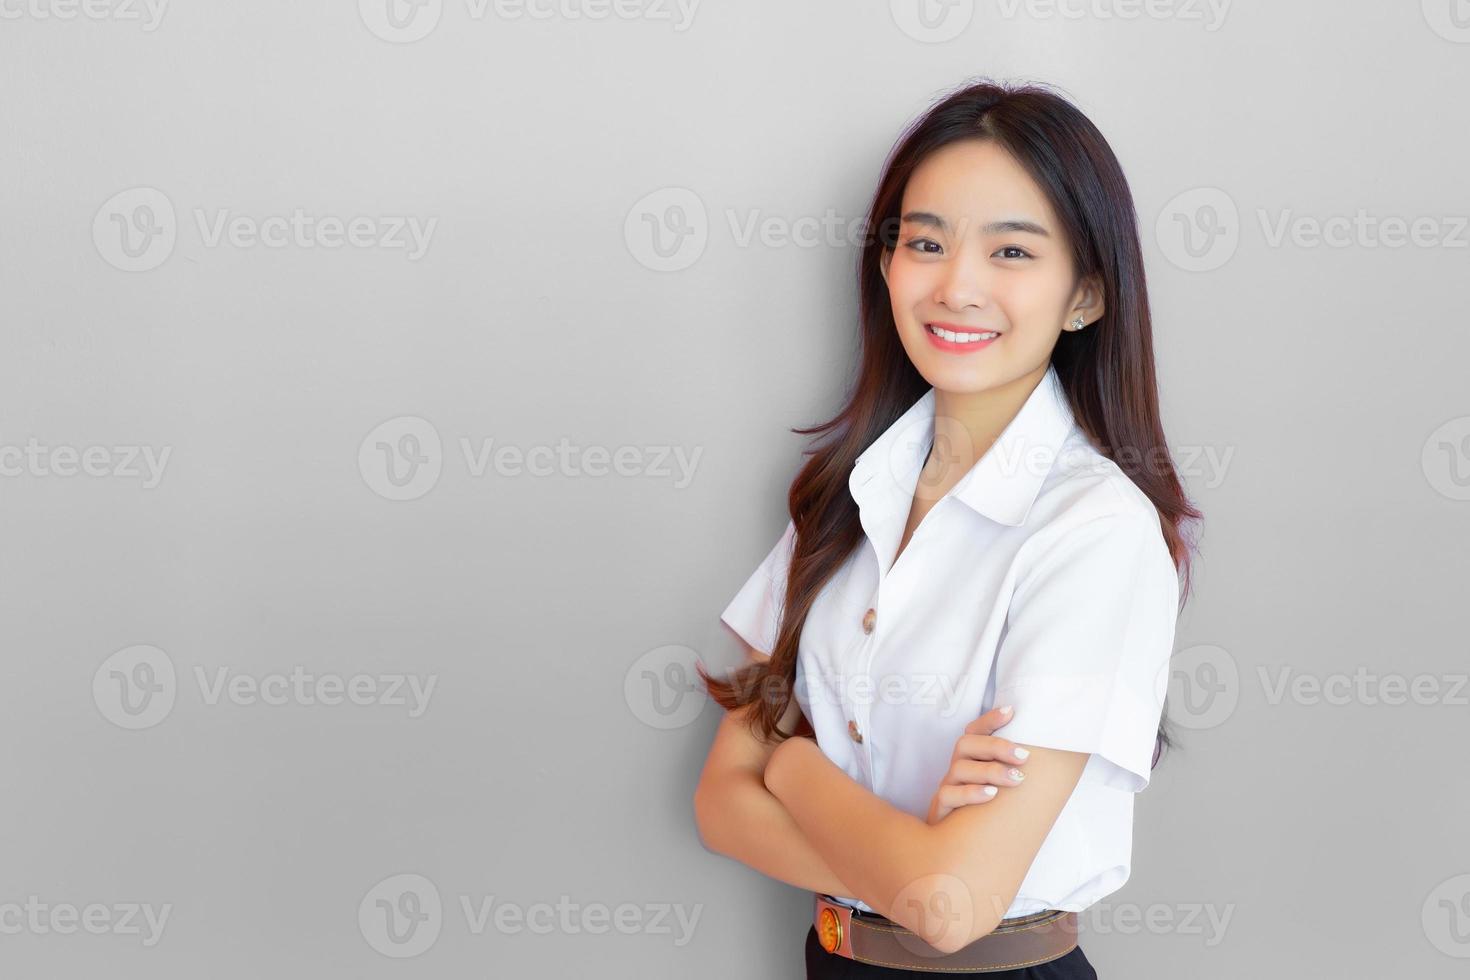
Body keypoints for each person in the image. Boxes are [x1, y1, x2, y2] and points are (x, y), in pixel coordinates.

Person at [693, 78, 1202, 977]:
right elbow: (717, 809)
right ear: (886, 264)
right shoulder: (845, 493)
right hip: (832, 959)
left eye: (1011, 251)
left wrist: (792, 767)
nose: (956, 285)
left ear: (1084, 295)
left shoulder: (1095, 529)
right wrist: (909, 854)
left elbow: (954, 907)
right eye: (924, 241)